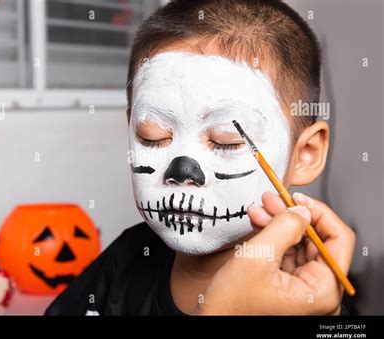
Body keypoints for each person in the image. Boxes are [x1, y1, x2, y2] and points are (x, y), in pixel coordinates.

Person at [45, 0, 356, 316]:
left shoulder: (312, 305)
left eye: (226, 141)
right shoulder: (128, 256)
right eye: (152, 135)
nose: (181, 170)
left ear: (305, 154)